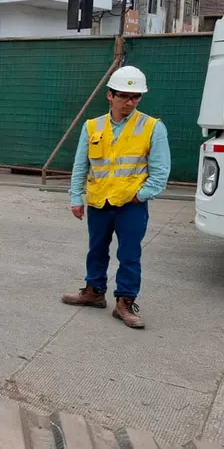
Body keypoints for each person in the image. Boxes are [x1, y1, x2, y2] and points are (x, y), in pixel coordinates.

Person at [61, 66, 170, 329]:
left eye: (136, 97)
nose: (130, 102)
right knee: (96, 249)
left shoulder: (152, 127)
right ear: (110, 95)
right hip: (99, 202)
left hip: (130, 205)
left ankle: (124, 302)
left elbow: (161, 171)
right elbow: (80, 165)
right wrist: (76, 198)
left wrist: (139, 196)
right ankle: (94, 291)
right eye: (124, 96)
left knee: (129, 254)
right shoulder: (92, 126)